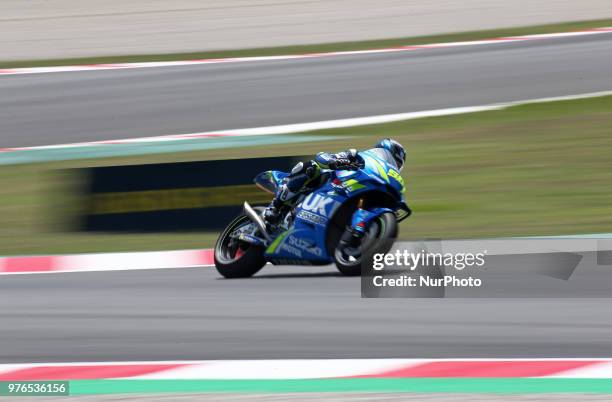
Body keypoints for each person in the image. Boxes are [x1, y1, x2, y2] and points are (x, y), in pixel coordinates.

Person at [263, 138, 406, 228]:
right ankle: (275, 206)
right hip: (330, 184)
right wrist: (336, 160)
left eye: (397, 165)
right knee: (311, 167)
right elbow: (323, 157)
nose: (393, 165)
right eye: (394, 160)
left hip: (346, 196)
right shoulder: (359, 157)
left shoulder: (384, 175)